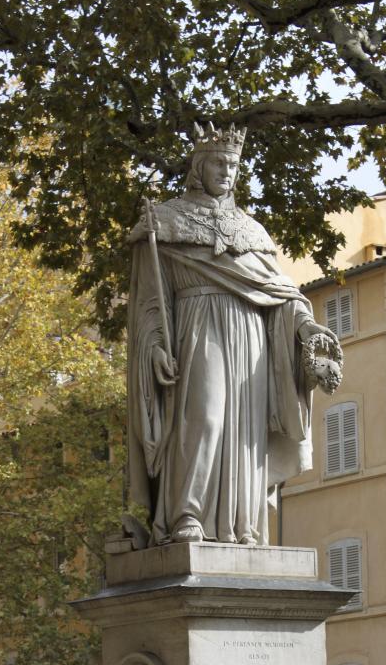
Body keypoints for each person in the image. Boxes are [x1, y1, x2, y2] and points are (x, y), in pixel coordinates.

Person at [127, 122, 342, 547]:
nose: (227, 172)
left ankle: (243, 524)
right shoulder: (165, 221)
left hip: (250, 337)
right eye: (219, 163)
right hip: (197, 325)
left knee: (244, 431)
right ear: (199, 166)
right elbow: (150, 304)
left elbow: (280, 291)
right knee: (204, 418)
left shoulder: (252, 230)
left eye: (233, 165)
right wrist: (154, 348)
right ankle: (186, 514)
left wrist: (306, 326)